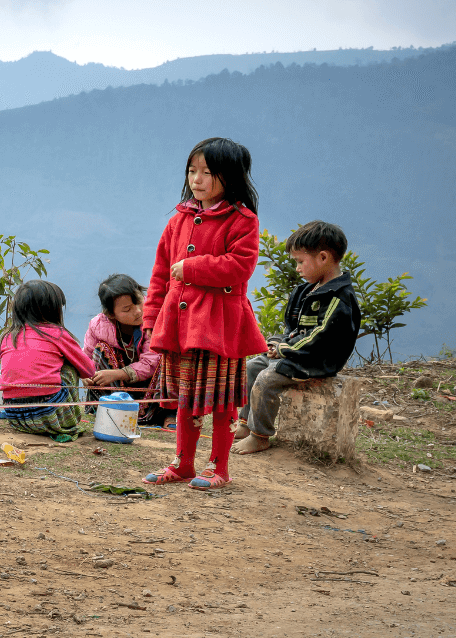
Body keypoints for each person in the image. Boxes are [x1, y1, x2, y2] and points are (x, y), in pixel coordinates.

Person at [141, 137, 268, 490]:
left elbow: (240, 267)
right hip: (181, 326)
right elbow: (160, 274)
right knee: (186, 397)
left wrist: (193, 268)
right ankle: (182, 463)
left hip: (219, 328)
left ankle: (219, 468)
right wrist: (151, 319)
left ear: (230, 177)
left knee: (222, 401)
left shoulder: (243, 221)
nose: (196, 179)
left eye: (207, 172)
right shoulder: (177, 221)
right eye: (192, 170)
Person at [233, 221, 361, 455]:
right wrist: (275, 344)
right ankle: (245, 422)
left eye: (301, 262)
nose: (298, 268)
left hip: (316, 360)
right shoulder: (304, 291)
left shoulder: (338, 299)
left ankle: (260, 435)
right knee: (251, 367)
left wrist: (283, 350)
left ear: (323, 258)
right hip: (295, 354)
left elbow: (319, 337)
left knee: (266, 379)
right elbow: (292, 330)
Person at [0, 281, 98, 440]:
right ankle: (69, 420)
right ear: (51, 310)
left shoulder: (8, 336)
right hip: (49, 414)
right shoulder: (56, 334)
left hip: (15, 415)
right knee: (69, 366)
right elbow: (89, 370)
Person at [83, 273, 169, 428]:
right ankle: (107, 407)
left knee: (167, 357)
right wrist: (86, 376)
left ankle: (166, 415)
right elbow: (86, 356)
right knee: (100, 350)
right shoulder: (98, 326)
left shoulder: (154, 319)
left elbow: (151, 362)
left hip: (150, 386)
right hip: (119, 387)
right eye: (127, 309)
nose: (137, 311)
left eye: (138, 301)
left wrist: (119, 373)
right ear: (111, 314)